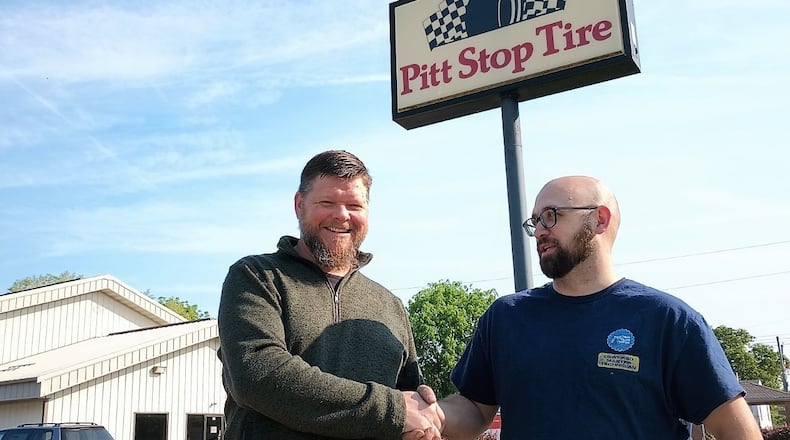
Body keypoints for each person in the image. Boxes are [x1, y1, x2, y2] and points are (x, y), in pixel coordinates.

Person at [426, 176, 762, 439]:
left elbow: (737, 431)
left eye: (550, 216)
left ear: (599, 219)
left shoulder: (669, 320)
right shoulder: (505, 317)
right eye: (535, 222)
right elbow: (474, 410)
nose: (540, 231)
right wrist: (430, 415)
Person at [217, 150, 443, 440]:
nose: (341, 215)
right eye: (327, 203)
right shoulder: (257, 276)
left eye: (354, 205)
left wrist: (419, 423)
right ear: (300, 205)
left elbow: (409, 402)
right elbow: (257, 375)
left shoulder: (390, 305)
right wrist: (394, 410)